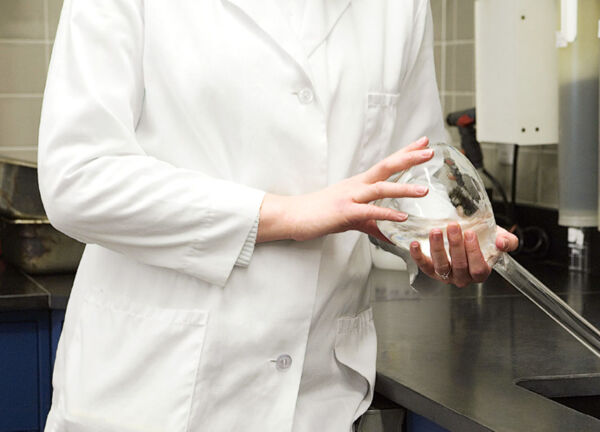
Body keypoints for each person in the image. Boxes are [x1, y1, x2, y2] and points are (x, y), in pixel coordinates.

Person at [37, 0, 518, 431]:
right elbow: (78, 179)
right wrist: (285, 214)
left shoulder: (399, 8)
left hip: (317, 398)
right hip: (153, 390)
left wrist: (440, 243)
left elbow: (413, 179)